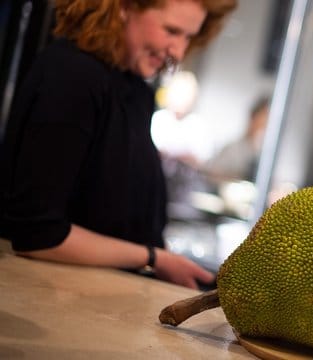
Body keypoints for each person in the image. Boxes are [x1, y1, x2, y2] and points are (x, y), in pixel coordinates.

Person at [0, 0, 237, 289]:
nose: (179, 51)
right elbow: (38, 236)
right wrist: (153, 258)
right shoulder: (72, 75)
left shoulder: (136, 91)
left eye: (188, 36)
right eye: (171, 30)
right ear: (123, 7)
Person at [203, 95, 270, 182]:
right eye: (264, 116)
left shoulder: (263, 154)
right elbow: (212, 175)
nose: (266, 122)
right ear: (253, 116)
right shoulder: (232, 149)